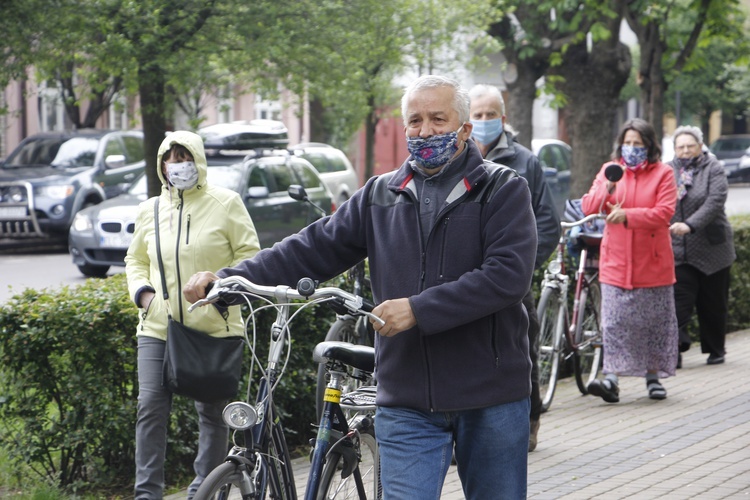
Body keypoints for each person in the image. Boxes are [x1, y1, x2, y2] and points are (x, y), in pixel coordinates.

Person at [184, 75, 537, 499]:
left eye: (438, 119)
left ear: (464, 128)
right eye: (416, 120)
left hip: (490, 395)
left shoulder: (502, 189)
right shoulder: (379, 195)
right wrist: (228, 279)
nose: (425, 131)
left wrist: (419, 309)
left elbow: (507, 275)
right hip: (406, 399)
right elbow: (312, 247)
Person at [125, 131, 260, 499]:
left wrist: (219, 283)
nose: (178, 165)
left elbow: (250, 256)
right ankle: (147, 494)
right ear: (161, 165)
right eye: (171, 158)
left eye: (185, 157)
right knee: (150, 407)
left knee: (213, 414)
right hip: (158, 326)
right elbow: (135, 259)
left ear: (197, 161)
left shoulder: (227, 203)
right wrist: (143, 294)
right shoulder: (149, 210)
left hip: (213, 327)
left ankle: (204, 491)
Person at [469, 83, 560, 452]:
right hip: (470, 284)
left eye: (491, 115)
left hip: (512, 284)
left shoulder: (526, 161)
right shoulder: (458, 158)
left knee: (521, 353)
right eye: (478, 115)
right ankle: (471, 433)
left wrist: (519, 268)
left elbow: (548, 225)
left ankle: (529, 422)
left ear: (503, 119)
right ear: (467, 120)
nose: (485, 121)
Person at [582, 118, 678, 403]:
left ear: (649, 146)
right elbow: (589, 206)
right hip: (615, 262)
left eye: (638, 143)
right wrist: (608, 188)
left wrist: (629, 216)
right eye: (628, 143)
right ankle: (611, 378)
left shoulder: (664, 173)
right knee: (613, 323)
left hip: (653, 262)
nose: (632, 148)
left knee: (653, 323)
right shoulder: (610, 170)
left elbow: (664, 213)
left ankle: (653, 376)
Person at [668, 125, 736, 366]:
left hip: (712, 249)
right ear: (675, 149)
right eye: (681, 147)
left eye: (690, 146)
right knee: (677, 303)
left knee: (713, 304)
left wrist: (690, 224)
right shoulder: (667, 170)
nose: (685, 151)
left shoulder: (714, 168)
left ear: (700, 147)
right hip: (678, 251)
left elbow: (715, 201)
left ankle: (715, 349)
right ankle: (675, 348)